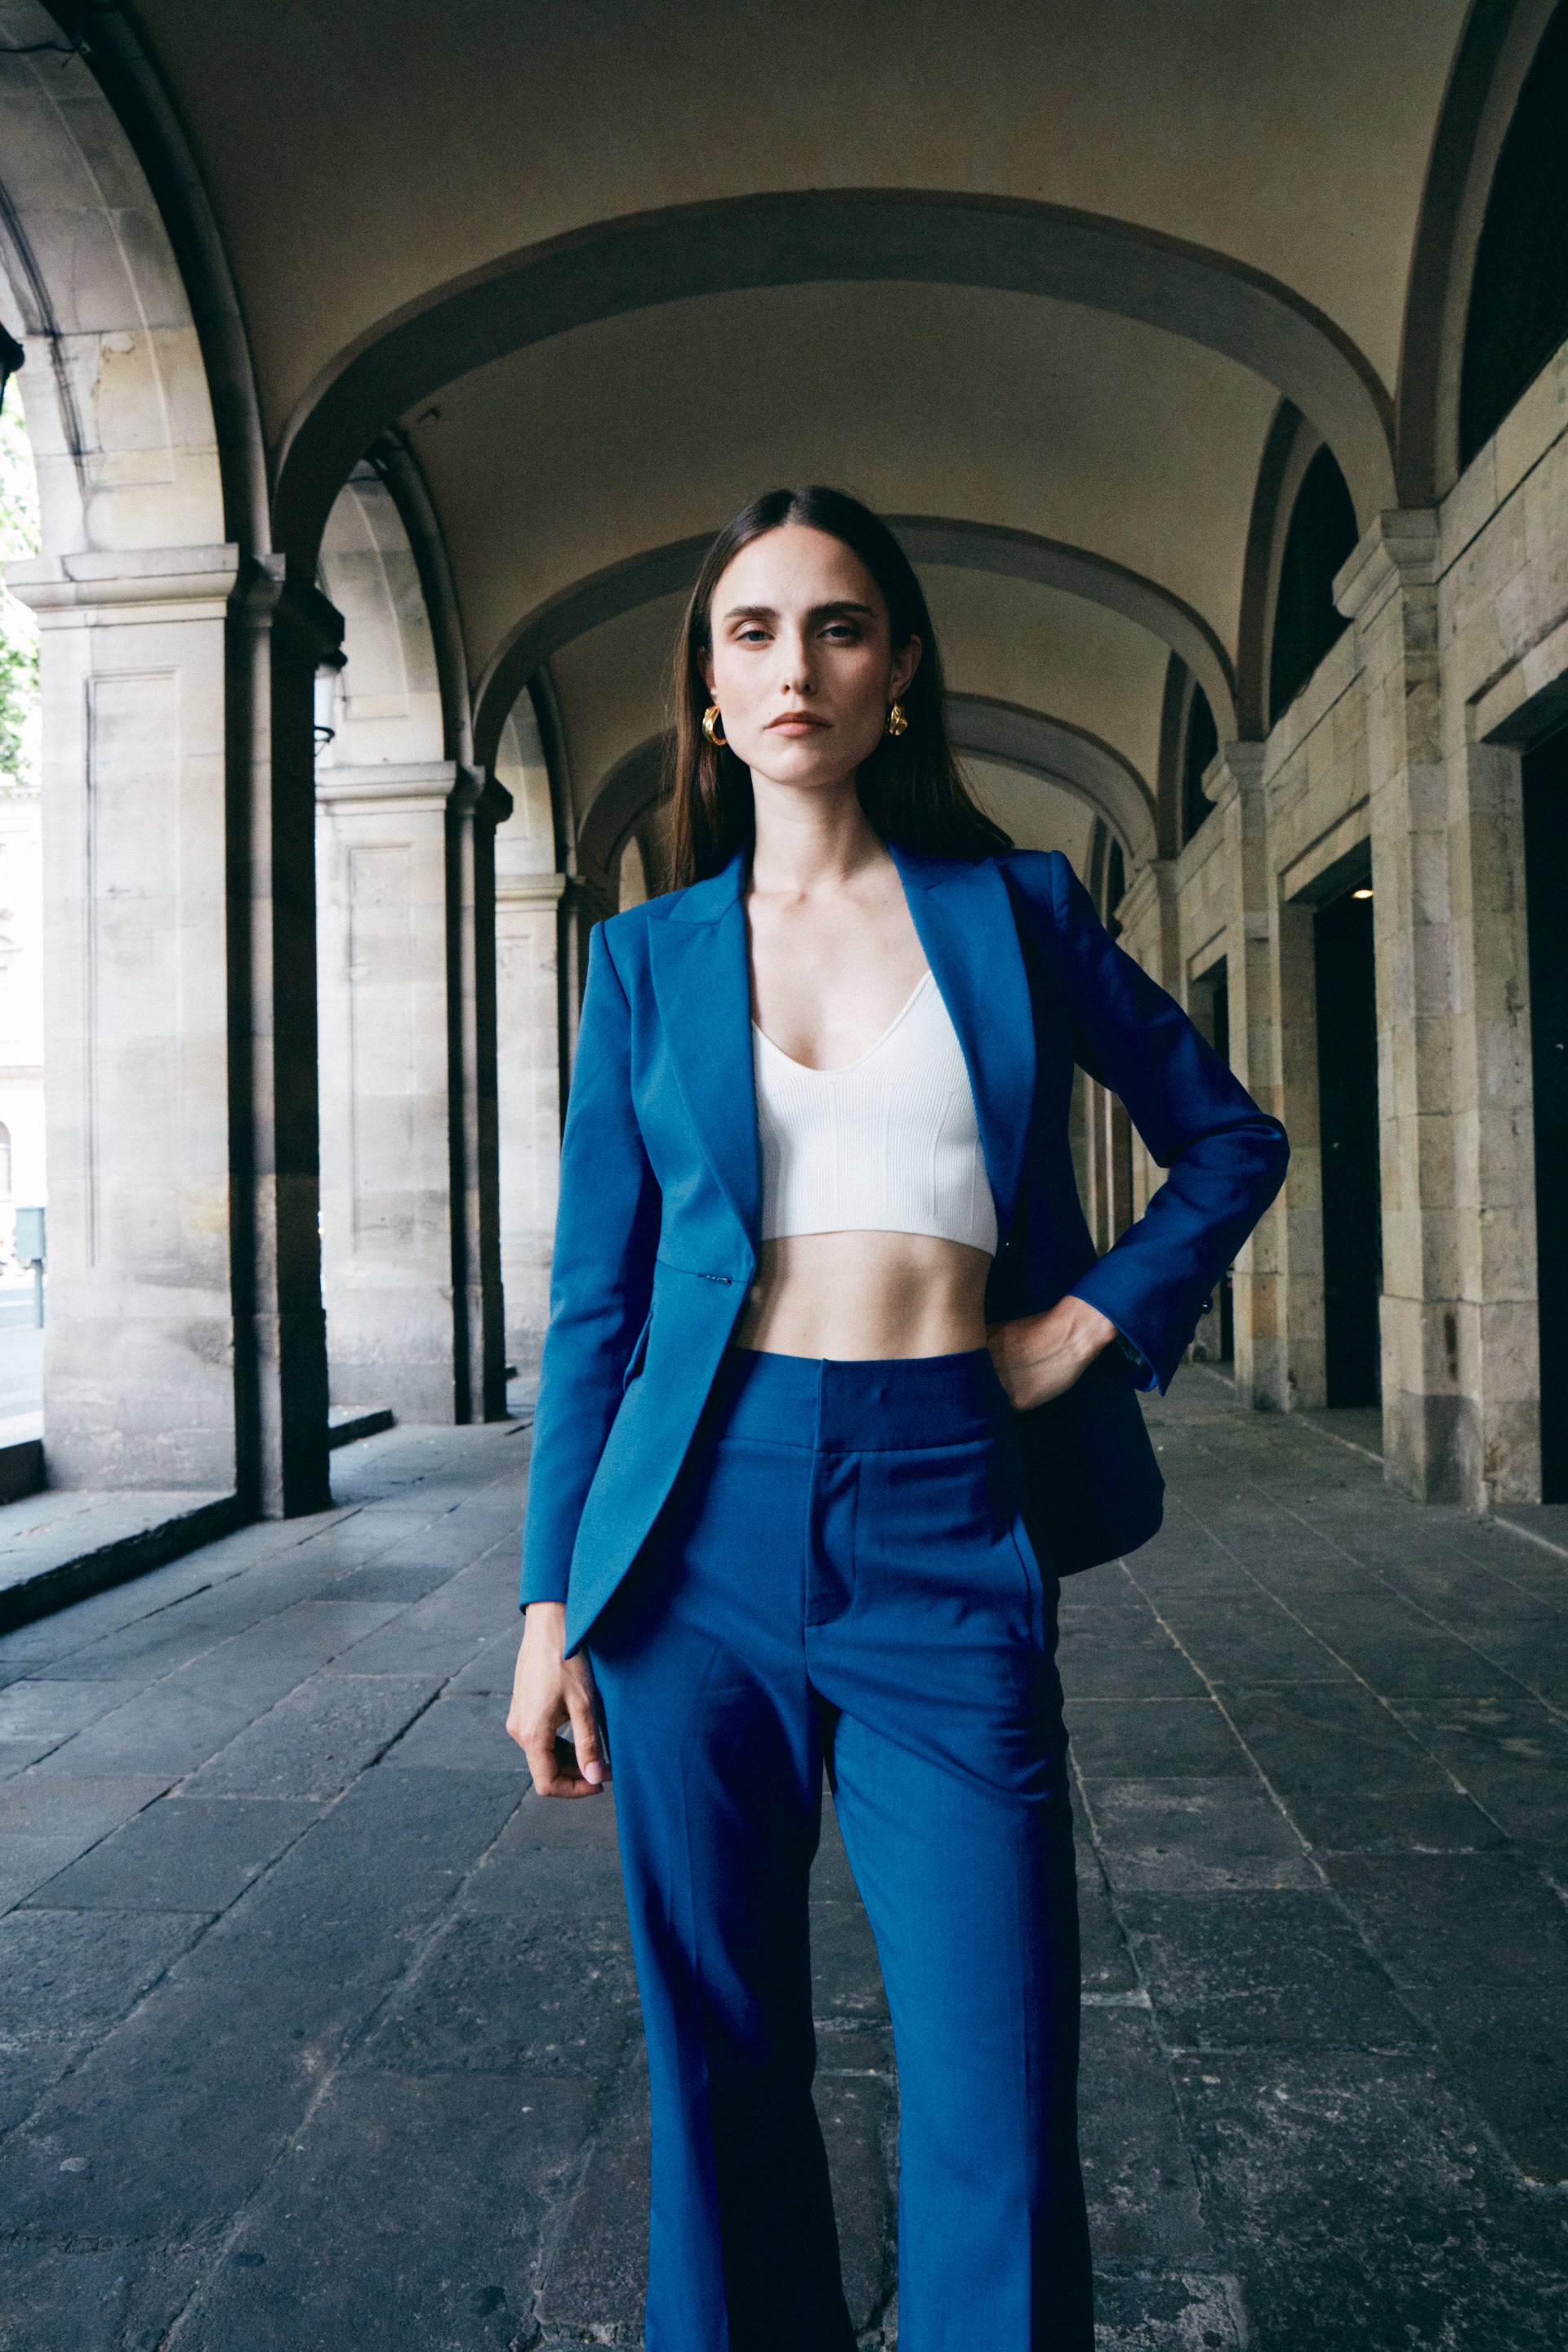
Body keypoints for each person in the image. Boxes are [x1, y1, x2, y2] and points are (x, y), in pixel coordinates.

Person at [507, 486, 1288, 2351]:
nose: (798, 666)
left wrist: (1084, 1327)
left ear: (900, 671)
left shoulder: (1015, 911)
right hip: (693, 1534)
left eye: (839, 627)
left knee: (998, 2089)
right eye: (754, 632)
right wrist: (548, 1606)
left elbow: (1230, 1138)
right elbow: (599, 1307)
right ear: (710, 692)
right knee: (718, 2065)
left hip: (947, 1510)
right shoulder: (646, 960)